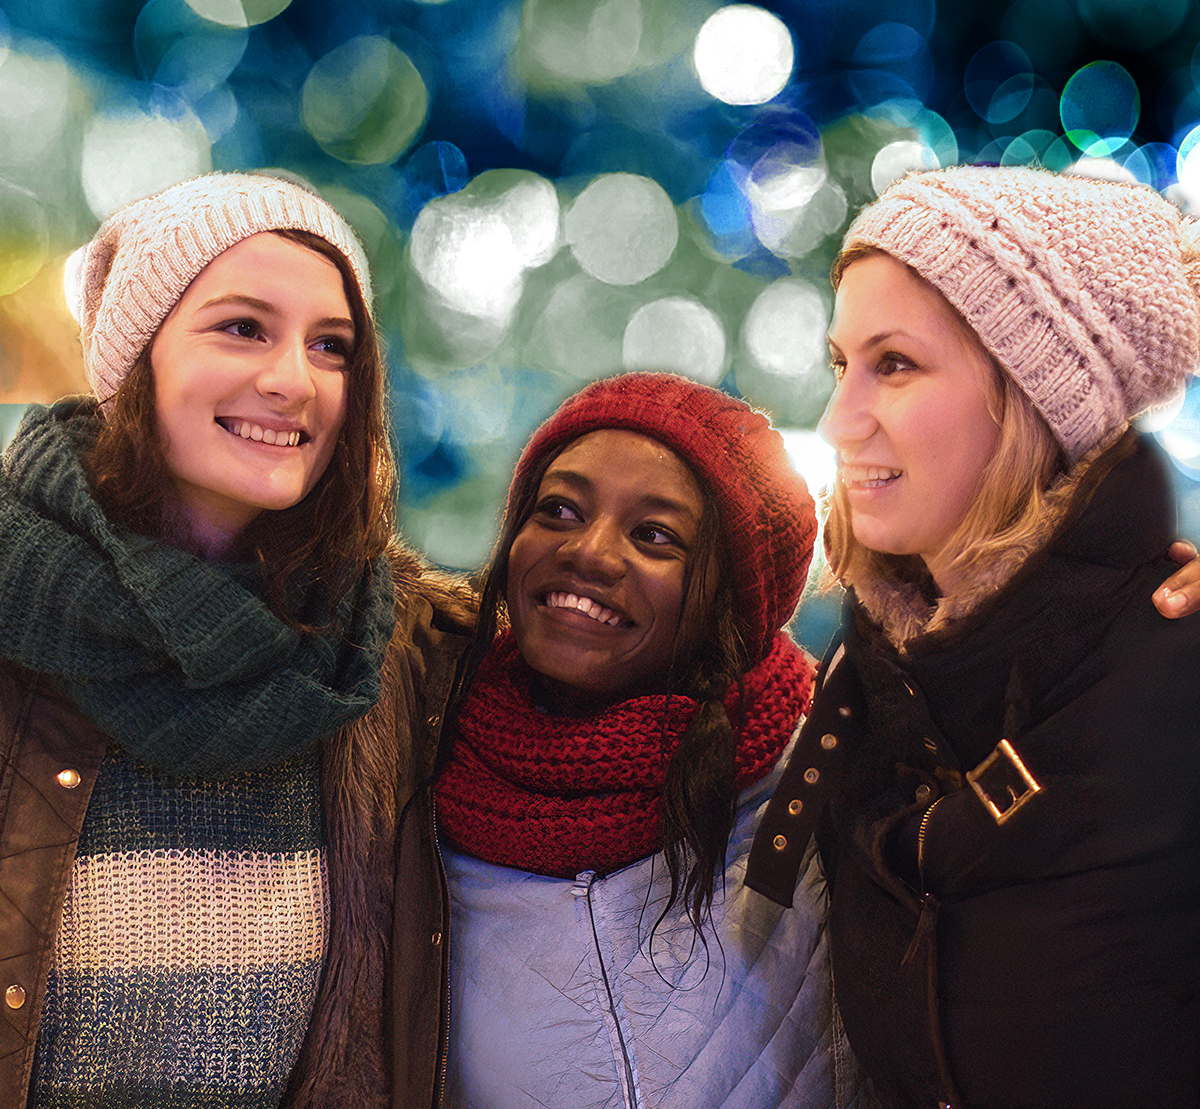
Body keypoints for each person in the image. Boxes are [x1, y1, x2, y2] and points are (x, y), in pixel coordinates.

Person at [0, 172, 471, 1109]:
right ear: (139, 358)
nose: (294, 381)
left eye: (332, 346)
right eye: (242, 327)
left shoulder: (404, 648)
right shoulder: (17, 606)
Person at [748, 165, 1200, 1109]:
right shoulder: (867, 679)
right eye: (841, 364)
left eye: (896, 364)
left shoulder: (1178, 666)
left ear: (1037, 397)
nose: (838, 419)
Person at [432, 372, 873, 1109]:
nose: (592, 553)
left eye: (655, 536)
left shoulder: (827, 780)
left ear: (732, 600)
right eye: (559, 510)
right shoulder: (420, 782)